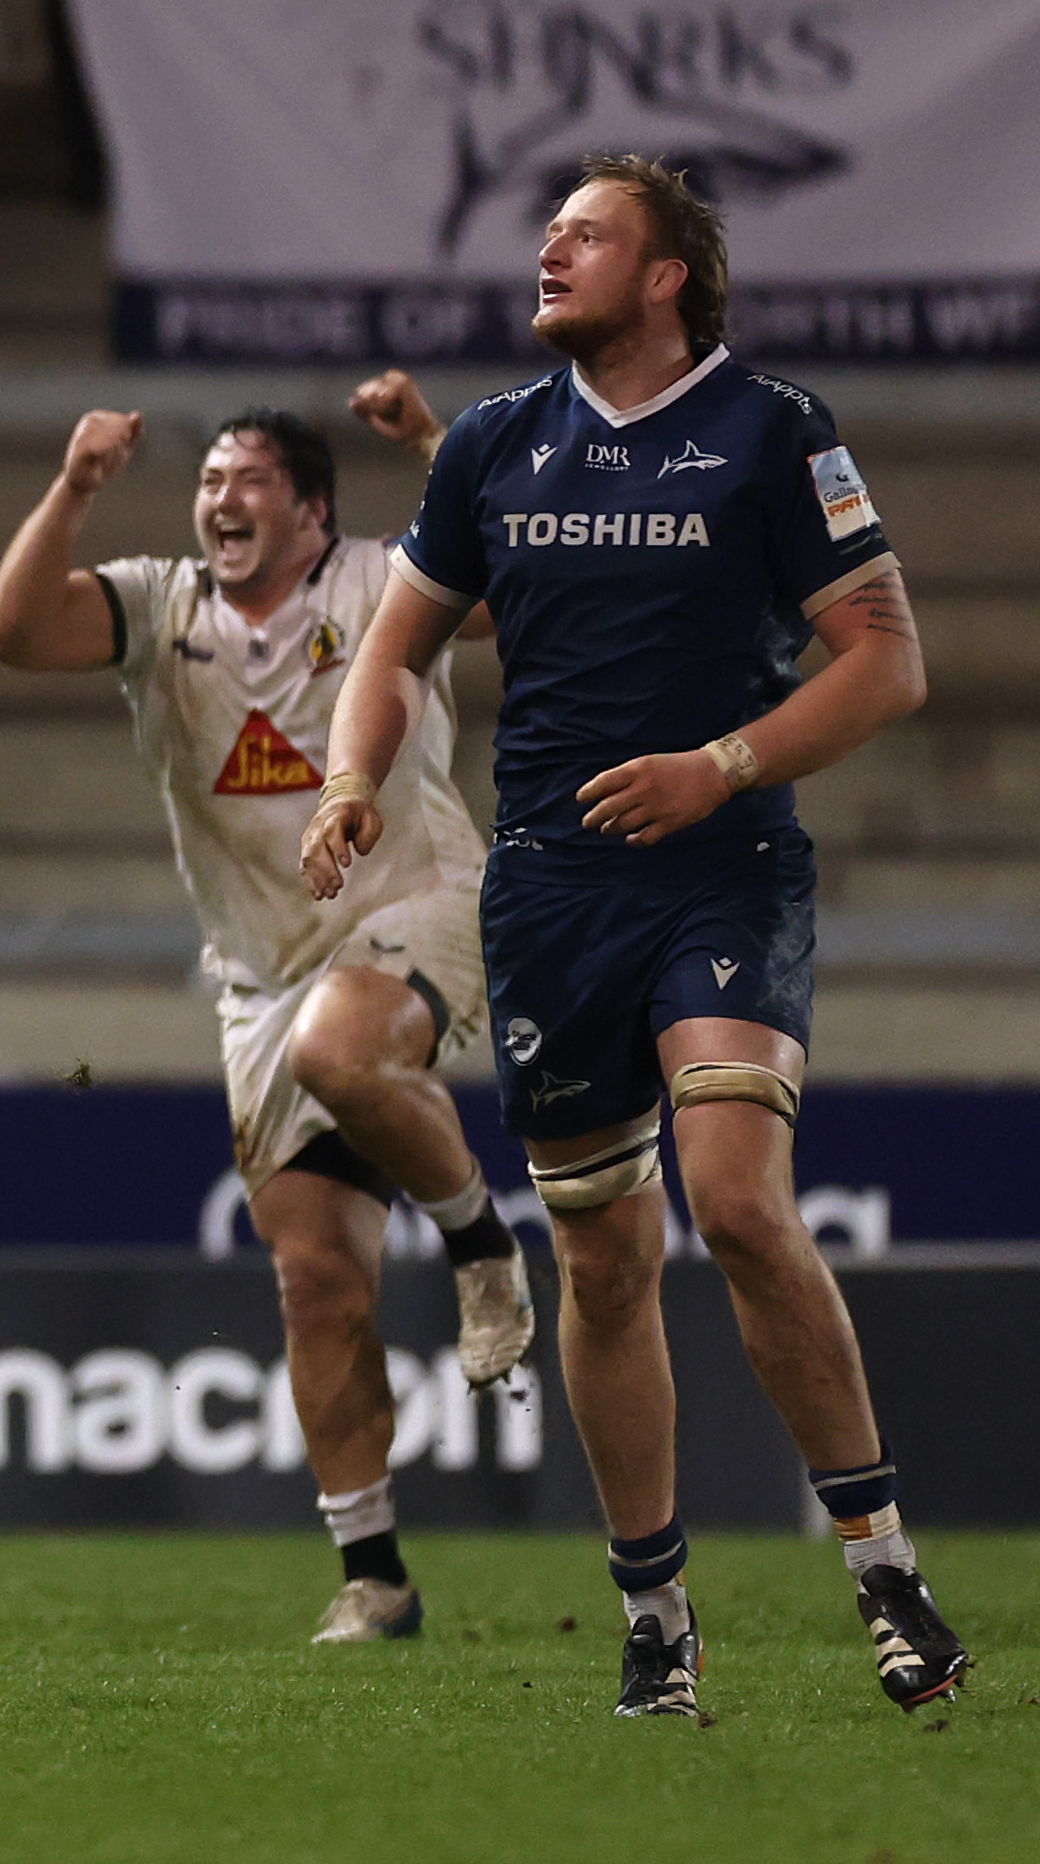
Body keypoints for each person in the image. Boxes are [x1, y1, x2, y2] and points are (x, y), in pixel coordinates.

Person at [304, 155, 967, 1717]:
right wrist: (347, 775)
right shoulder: (488, 444)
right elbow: (391, 648)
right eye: (548, 230)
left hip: (718, 866)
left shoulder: (771, 429)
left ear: (666, 275)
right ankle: (654, 1619)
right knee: (604, 1263)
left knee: (733, 1203)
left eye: (585, 233)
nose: (548, 247)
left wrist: (719, 766)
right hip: (544, 892)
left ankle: (880, 1572)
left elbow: (885, 664)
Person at [0, 383, 532, 1645]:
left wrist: (434, 445)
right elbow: (10, 632)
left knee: (339, 1049)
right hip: (257, 967)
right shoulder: (160, 604)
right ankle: (373, 1574)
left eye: (246, 482)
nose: (220, 500)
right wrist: (72, 484)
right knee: (315, 1285)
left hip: (420, 901)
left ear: (310, 508)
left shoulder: (381, 579)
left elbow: (515, 593)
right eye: (209, 482)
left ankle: (477, 1245)